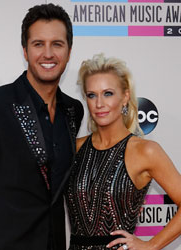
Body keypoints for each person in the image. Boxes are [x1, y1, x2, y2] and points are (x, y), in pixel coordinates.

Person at [0, 3, 83, 250]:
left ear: (69, 51)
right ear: (25, 51)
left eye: (57, 44)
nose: (48, 54)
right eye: (38, 44)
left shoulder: (73, 110)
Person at [65, 54, 181, 250]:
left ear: (125, 97)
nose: (99, 103)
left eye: (108, 93)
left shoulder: (145, 151)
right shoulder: (75, 148)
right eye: (92, 95)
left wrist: (151, 245)